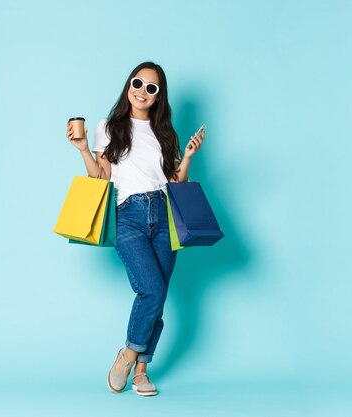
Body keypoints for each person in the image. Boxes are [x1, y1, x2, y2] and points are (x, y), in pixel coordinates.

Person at [65, 62, 204, 396]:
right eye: (138, 83)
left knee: (159, 297)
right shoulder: (109, 126)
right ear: (129, 85)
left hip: (164, 213)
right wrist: (83, 149)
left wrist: (186, 158)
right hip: (128, 213)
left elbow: (175, 182)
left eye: (151, 88)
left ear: (158, 97)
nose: (142, 91)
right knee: (151, 291)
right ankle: (128, 355)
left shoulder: (165, 133)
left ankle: (140, 371)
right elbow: (102, 178)